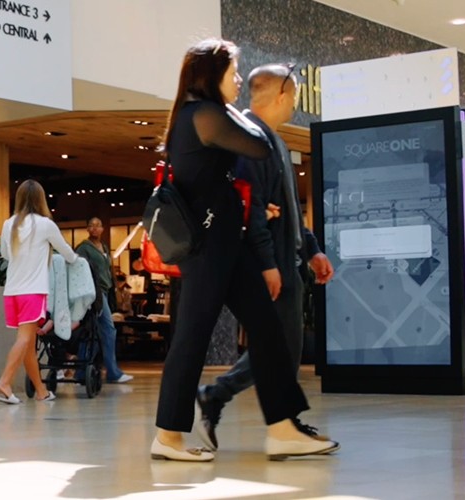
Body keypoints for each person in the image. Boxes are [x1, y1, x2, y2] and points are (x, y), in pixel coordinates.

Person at [150, 38, 337, 462]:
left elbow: (219, 180)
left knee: (269, 333)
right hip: (208, 251)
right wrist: (246, 110)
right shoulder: (204, 114)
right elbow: (260, 145)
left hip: (226, 246)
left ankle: (283, 429)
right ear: (210, 75)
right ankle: (168, 436)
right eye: (233, 72)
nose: (238, 80)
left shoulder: (202, 114)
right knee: (191, 340)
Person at [197, 64, 337, 450]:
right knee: (279, 349)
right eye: (294, 96)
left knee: (281, 348)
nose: (295, 105)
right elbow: (253, 209)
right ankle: (271, 420)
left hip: (286, 262)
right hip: (270, 267)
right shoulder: (250, 141)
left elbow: (287, 210)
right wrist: (268, 265)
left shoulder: (272, 141)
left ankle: (271, 418)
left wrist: (311, 249)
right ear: (281, 95)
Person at [0, 180, 77, 404]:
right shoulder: (45, 225)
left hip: (12, 292)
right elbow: (66, 252)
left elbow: (6, 254)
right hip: (33, 291)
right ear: (41, 200)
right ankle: (5, 381)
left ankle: (41, 391)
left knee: (28, 344)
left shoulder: (9, 223)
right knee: (24, 340)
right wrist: (77, 261)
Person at [75, 217, 131, 384]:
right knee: (108, 329)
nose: (95, 228)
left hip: (105, 291)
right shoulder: (83, 248)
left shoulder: (104, 247)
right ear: (87, 229)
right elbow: (79, 269)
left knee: (92, 331)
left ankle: (81, 371)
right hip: (94, 292)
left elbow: (108, 270)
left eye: (98, 225)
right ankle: (113, 372)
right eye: (91, 225)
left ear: (102, 229)